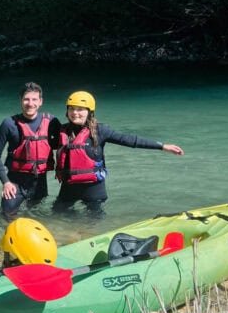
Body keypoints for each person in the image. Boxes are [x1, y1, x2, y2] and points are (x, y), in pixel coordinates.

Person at [53, 90, 183, 217]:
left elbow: (129, 140)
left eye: (80, 109)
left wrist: (162, 146)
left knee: (93, 223)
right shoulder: (62, 131)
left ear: (90, 112)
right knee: (57, 215)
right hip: (69, 188)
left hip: (93, 190)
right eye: (71, 108)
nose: (75, 113)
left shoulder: (100, 131)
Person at [0, 82, 57, 221]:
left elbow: (65, 143)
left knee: (35, 216)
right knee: (7, 216)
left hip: (40, 183)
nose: (30, 103)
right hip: (15, 183)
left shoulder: (51, 122)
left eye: (34, 99)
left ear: (40, 102)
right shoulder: (9, 124)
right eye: (26, 99)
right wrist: (5, 182)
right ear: (21, 100)